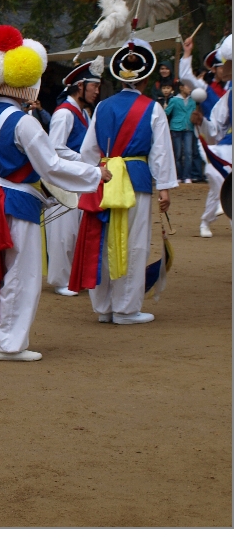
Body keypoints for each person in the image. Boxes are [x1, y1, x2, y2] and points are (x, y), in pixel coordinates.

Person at [0, 25, 109, 361]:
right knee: (21, 274)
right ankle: (9, 344)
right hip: (18, 200)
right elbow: (52, 166)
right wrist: (94, 174)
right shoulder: (24, 122)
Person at [69, 37, 177, 325]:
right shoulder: (152, 108)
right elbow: (161, 152)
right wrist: (164, 187)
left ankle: (104, 307)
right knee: (134, 243)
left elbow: (88, 152)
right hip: (136, 180)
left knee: (102, 240)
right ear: (147, 77)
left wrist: (93, 176)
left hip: (104, 179)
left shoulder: (102, 106)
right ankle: (127, 309)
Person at [46, 57, 102, 297]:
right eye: (94, 86)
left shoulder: (82, 113)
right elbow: (54, 147)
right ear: (80, 86)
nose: (97, 91)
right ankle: (60, 278)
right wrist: (86, 161)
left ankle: (72, 277)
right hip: (64, 180)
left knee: (75, 230)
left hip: (77, 179)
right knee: (62, 231)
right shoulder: (64, 114)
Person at [191, 34, 232, 237]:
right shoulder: (229, 97)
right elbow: (216, 130)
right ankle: (211, 217)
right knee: (215, 173)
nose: (222, 69)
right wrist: (202, 123)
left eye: (226, 64)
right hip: (227, 149)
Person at [180, 35, 230, 116]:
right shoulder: (205, 86)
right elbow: (185, 77)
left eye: (230, 67)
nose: (227, 71)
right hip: (210, 127)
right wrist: (187, 52)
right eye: (223, 68)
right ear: (213, 69)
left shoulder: (230, 86)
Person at [165, 81, 196, 183]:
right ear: (181, 88)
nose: (190, 89)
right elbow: (167, 112)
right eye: (188, 86)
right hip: (176, 128)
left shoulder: (193, 100)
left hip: (189, 128)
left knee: (188, 153)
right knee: (177, 153)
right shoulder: (174, 100)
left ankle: (187, 175)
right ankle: (178, 175)